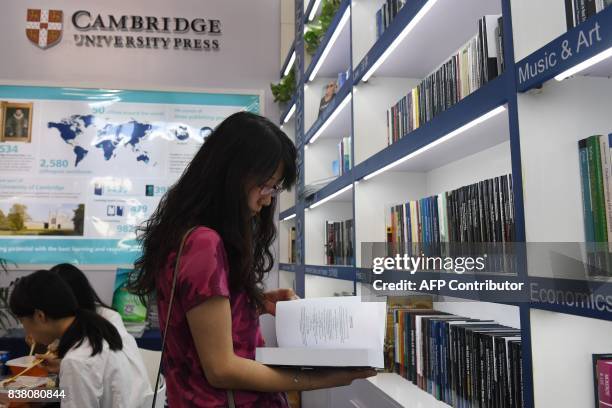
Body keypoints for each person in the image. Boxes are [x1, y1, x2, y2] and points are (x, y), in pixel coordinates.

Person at [129, 111, 375, 407]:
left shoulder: (186, 235)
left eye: (275, 188)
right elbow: (222, 369)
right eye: (267, 185)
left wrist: (253, 303)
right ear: (234, 174)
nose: (269, 199)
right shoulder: (203, 243)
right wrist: (321, 379)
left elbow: (197, 320)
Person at [9, 270, 151, 408]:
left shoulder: (76, 360)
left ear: (40, 316)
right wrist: (64, 368)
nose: (26, 330)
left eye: (23, 322)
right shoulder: (100, 328)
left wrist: (70, 370)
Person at [42, 263, 154, 402]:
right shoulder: (106, 324)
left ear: (40, 315)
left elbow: (73, 393)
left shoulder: (78, 359)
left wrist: (21, 395)